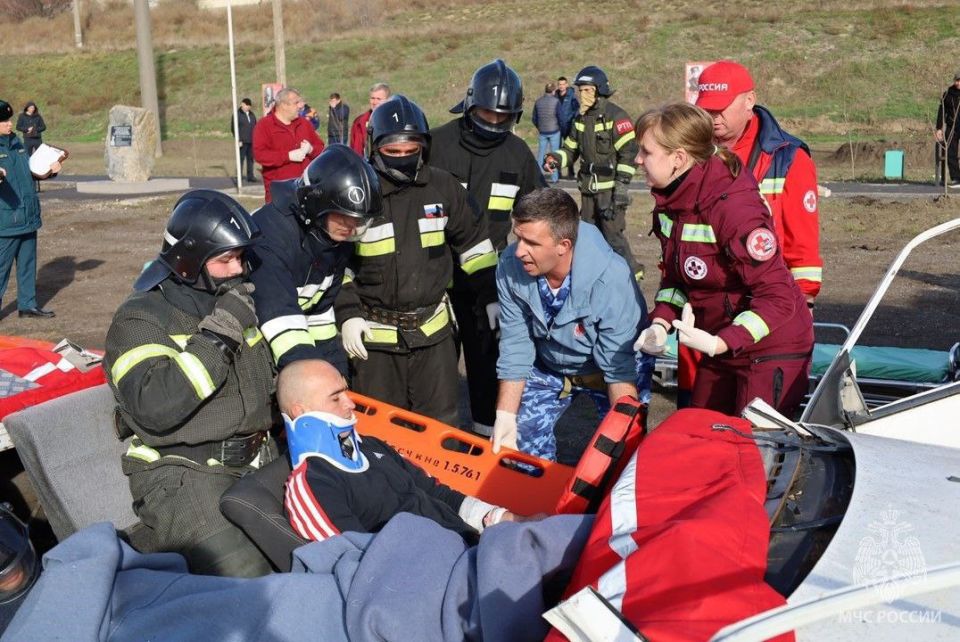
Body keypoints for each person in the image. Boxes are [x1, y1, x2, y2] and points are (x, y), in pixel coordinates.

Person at [103, 190, 277, 577]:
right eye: (225, 259)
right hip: (182, 474)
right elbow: (156, 407)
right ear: (188, 262)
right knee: (248, 578)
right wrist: (220, 336)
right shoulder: (140, 320)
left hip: (259, 461)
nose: (239, 270)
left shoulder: (230, 301)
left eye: (242, 258)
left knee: (309, 545)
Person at [632, 103, 813, 418]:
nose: (637, 160)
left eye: (645, 152)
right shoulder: (671, 202)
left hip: (770, 348)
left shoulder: (733, 209)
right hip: (722, 344)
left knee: (754, 450)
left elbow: (779, 298)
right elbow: (677, 278)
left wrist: (721, 342)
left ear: (678, 158)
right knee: (702, 432)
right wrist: (660, 322)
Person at [336, 94, 498, 426]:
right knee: (379, 432)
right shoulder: (359, 194)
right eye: (392, 152)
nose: (402, 159)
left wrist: (490, 298)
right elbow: (335, 265)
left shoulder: (443, 187)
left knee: (439, 427)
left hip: (433, 339)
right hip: (375, 342)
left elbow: (475, 247)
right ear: (374, 147)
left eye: (412, 151)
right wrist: (348, 315)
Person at [687, 60, 824, 409]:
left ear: (750, 101)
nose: (713, 119)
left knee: (757, 426)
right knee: (700, 419)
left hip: (766, 309)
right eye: (706, 110)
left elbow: (802, 245)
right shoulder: (693, 154)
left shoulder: (787, 158)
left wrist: (803, 303)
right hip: (709, 308)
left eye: (720, 110)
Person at [281, 359, 527, 545]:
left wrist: (499, 517)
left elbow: (437, 492)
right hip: (441, 579)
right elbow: (356, 564)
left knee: (551, 533)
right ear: (301, 414)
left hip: (471, 544)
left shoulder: (371, 446)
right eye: (336, 399)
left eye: (346, 392)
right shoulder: (314, 484)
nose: (351, 403)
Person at [430, 59, 545, 435]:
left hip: (487, 281)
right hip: (434, 277)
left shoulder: (517, 155)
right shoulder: (438, 146)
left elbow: (542, 212)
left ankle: (485, 439)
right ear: (469, 103)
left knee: (486, 364)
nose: (494, 123)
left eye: (503, 117)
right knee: (437, 372)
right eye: (486, 114)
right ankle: (435, 447)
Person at [494, 188, 649, 461]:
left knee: (619, 458)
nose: (519, 251)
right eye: (518, 238)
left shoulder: (612, 279)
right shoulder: (510, 265)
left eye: (531, 243)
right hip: (549, 364)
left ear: (563, 245)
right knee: (522, 459)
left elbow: (619, 367)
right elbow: (515, 344)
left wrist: (624, 440)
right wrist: (505, 416)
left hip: (608, 367)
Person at [249, 145, 382, 376]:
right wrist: (318, 383)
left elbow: (320, 315)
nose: (351, 228)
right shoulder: (270, 235)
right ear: (316, 206)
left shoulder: (333, 236)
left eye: (358, 220)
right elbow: (281, 321)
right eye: (343, 217)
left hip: (288, 342)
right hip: (258, 350)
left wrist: (338, 375)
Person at [544, 66, 641, 276]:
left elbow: (629, 153)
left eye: (587, 90)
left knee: (613, 237)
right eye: (580, 90)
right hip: (587, 192)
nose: (582, 95)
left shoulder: (617, 116)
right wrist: (555, 159)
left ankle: (632, 276)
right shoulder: (580, 119)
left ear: (600, 91)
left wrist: (621, 190)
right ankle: (595, 278)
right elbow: (571, 148)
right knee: (587, 238)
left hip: (610, 193)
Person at [0, 99, 59, 319]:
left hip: (28, 214)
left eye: (8, 119)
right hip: (7, 219)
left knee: (27, 264)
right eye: (3, 121)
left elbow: (29, 171)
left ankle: (27, 305)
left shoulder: (15, 142)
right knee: (1, 268)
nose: (9, 124)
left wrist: (50, 170)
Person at [252, 87, 324, 203]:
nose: (301, 106)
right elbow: (260, 155)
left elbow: (321, 148)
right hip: (280, 195)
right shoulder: (264, 126)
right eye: (296, 102)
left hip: (307, 192)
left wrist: (311, 149)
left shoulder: (304, 124)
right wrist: (288, 156)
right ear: (283, 105)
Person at [349, 82, 391, 157]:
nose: (375, 102)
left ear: (387, 101)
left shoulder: (394, 121)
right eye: (372, 98)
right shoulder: (359, 122)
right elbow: (354, 149)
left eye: (379, 99)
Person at [533, 82, 562, 184]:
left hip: (542, 132)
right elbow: (560, 117)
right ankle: (554, 178)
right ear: (554, 91)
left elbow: (534, 118)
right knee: (554, 155)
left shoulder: (538, 102)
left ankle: (538, 177)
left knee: (540, 154)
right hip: (554, 131)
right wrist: (560, 127)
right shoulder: (556, 101)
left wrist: (539, 127)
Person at [936, 71, 960, 188]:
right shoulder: (948, 94)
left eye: (959, 81)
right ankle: (956, 178)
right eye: (956, 80)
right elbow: (942, 111)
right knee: (950, 151)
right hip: (952, 127)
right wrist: (939, 128)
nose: (958, 83)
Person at [554, 76, 579, 179]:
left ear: (567, 85)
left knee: (569, 149)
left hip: (569, 126)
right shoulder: (555, 96)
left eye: (563, 84)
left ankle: (571, 172)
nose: (561, 86)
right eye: (560, 84)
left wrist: (573, 121)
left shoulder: (572, 95)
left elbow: (576, 110)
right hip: (557, 127)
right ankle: (558, 172)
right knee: (558, 150)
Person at [232, 97, 257, 183]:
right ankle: (239, 176)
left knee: (250, 159)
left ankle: (250, 176)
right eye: (246, 105)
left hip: (251, 141)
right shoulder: (237, 115)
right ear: (242, 104)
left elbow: (255, 125)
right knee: (241, 159)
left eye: (249, 105)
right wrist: (238, 139)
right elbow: (234, 128)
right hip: (242, 141)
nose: (248, 107)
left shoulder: (252, 114)